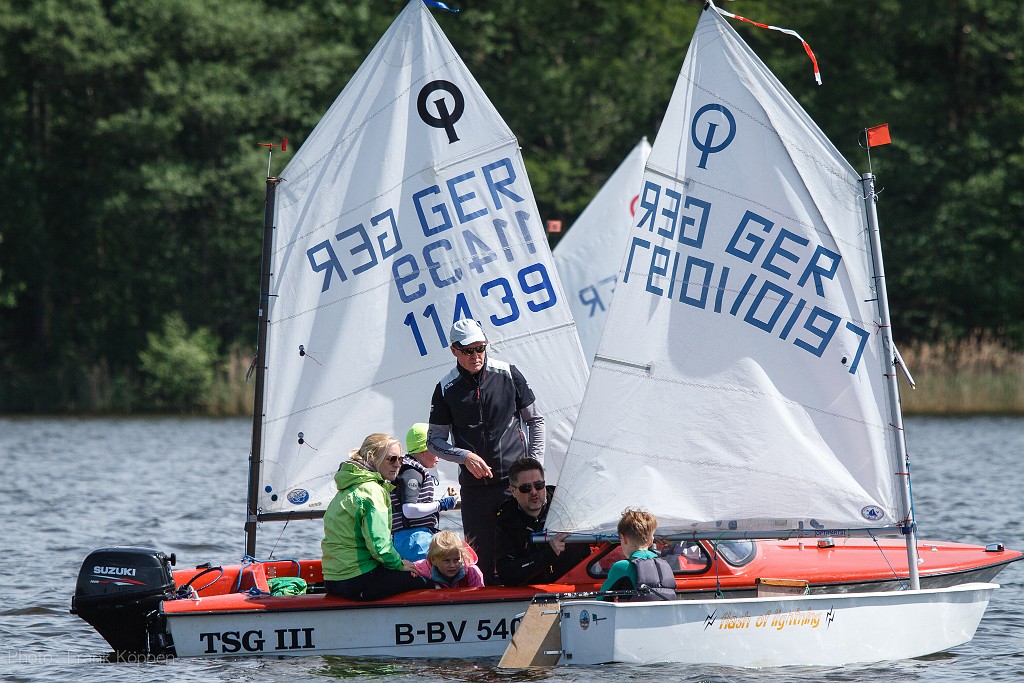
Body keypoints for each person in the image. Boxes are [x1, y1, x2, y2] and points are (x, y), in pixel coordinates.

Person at [427, 318, 545, 585]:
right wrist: (464, 456)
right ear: (454, 350)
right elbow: (434, 441)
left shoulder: (508, 373)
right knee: (480, 560)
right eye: (468, 350)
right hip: (476, 489)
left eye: (480, 348)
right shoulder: (445, 389)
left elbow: (535, 420)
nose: (476, 355)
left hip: (515, 486)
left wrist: (533, 466)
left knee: (525, 548)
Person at [321, 433, 433, 600]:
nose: (397, 465)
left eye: (400, 460)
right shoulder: (372, 491)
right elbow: (380, 546)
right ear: (372, 458)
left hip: (333, 579)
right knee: (426, 583)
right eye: (391, 459)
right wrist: (399, 564)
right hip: (356, 579)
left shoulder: (348, 486)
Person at [494, 458, 590, 586]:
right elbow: (507, 575)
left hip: (577, 586)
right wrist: (547, 555)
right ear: (513, 491)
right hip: (532, 595)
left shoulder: (566, 504)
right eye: (526, 488)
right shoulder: (507, 521)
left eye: (538, 485)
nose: (534, 492)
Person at [390, 423, 459, 561]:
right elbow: (409, 510)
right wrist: (441, 504)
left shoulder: (411, 470)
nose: (440, 454)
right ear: (423, 451)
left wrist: (442, 501)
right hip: (413, 541)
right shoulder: (412, 473)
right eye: (436, 449)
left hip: (412, 538)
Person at [599, 507, 676, 601]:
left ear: (623, 539)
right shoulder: (665, 565)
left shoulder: (622, 567)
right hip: (666, 615)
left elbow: (601, 598)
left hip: (634, 615)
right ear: (651, 541)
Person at [413, 530, 485, 588]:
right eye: (446, 560)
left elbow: (480, 599)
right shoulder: (419, 571)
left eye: (457, 560)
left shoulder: (472, 572)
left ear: (462, 557)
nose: (452, 565)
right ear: (433, 560)